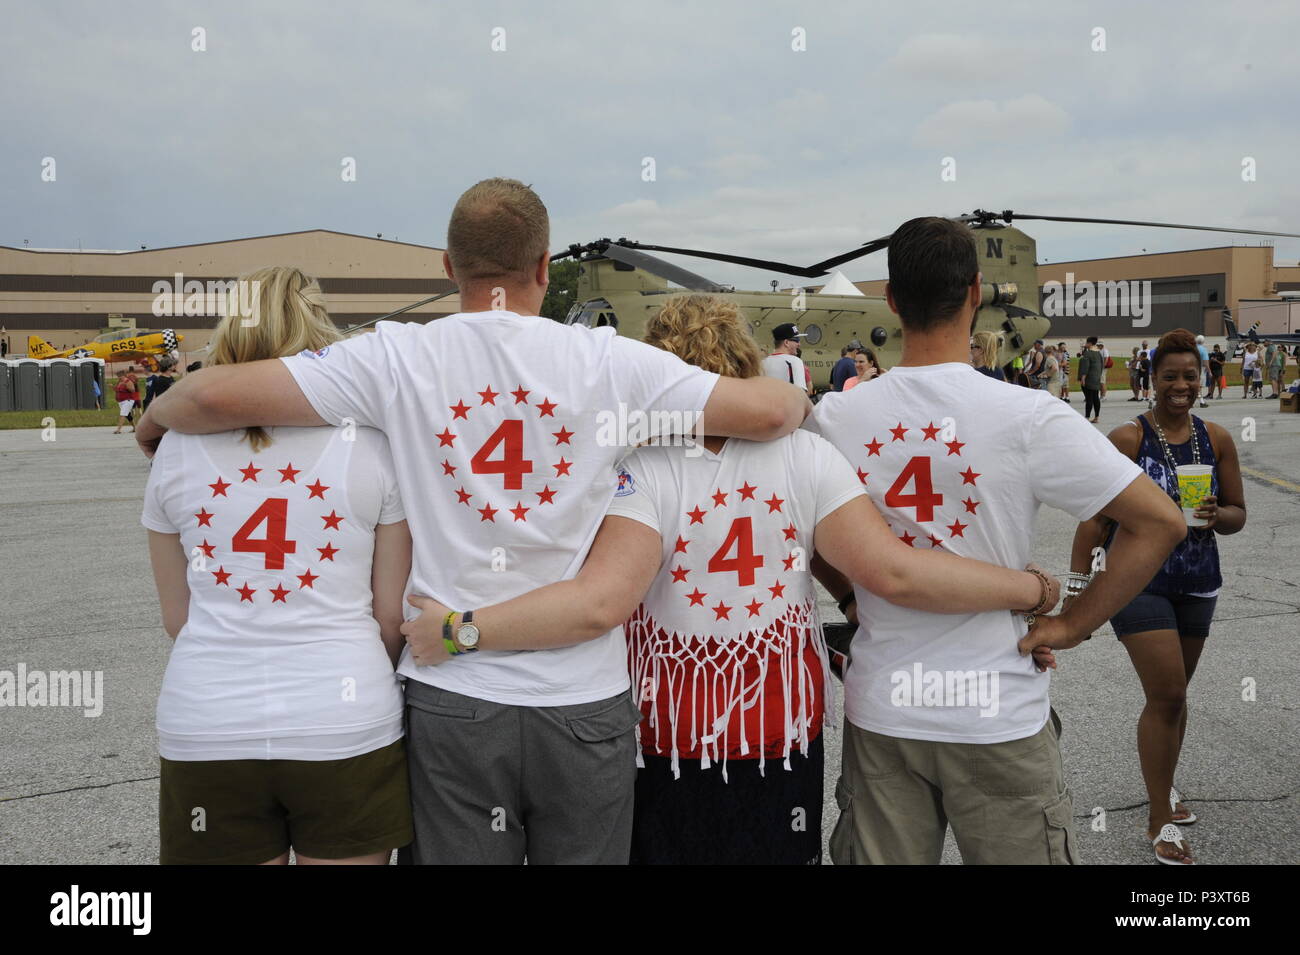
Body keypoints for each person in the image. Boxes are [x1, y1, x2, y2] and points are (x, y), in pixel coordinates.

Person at [137, 177, 810, 865]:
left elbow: (213, 395)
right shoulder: (612, 364)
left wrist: (154, 417)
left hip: (452, 689)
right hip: (580, 702)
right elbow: (769, 412)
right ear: (546, 268)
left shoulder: (396, 356)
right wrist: (794, 388)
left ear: (448, 266)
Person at [401, 293, 1059, 865]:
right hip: (778, 732)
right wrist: (1025, 590)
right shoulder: (807, 455)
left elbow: (602, 600)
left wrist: (460, 629)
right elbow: (895, 571)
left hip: (669, 734)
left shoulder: (641, 467)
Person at [808, 217, 1186, 865]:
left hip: (885, 708)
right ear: (976, 292)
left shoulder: (837, 416)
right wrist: (1070, 623)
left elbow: (810, 533)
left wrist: (850, 598)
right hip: (997, 708)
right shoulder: (1028, 415)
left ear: (892, 300)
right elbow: (1161, 522)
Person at [142, 266, 414, 865]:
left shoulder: (176, 449)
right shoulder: (371, 444)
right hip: (344, 718)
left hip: (207, 719)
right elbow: (390, 617)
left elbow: (175, 618)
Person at [1067, 328, 1246, 865]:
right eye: (1170, 375)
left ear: (1202, 377)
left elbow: (1238, 514)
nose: (1181, 385)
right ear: (1152, 379)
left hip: (1198, 582)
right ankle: (1158, 819)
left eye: (1190, 375)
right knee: (1167, 694)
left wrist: (1219, 514)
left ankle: (1165, 786)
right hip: (1137, 584)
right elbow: (1095, 520)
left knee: (1173, 699)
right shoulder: (1128, 440)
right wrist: (1078, 593)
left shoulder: (1216, 439)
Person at [762, 323, 813, 395]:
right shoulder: (795, 361)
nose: (799, 344)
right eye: (797, 340)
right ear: (786, 342)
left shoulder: (762, 363)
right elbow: (799, 395)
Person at [1078, 336, 1104, 423]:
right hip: (1096, 378)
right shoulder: (1099, 353)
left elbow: (1085, 367)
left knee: (1089, 398)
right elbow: (1102, 366)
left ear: (1089, 343)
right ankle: (1096, 417)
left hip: (1089, 379)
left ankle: (1087, 417)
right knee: (1096, 398)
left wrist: (1083, 379)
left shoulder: (1088, 354)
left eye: (1086, 342)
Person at [112, 367, 138, 433]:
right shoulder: (120, 382)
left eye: (119, 376)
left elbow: (133, 390)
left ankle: (118, 430)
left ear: (123, 375)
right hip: (121, 401)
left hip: (128, 400)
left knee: (123, 414)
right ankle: (135, 428)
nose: (118, 378)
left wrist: (126, 385)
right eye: (118, 376)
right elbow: (117, 390)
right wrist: (113, 387)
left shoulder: (128, 382)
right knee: (128, 415)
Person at [1194, 335, 1210, 407]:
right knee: (1199, 386)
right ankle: (1201, 402)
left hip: (1192, 368)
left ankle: (1193, 402)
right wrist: (1209, 371)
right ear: (1203, 341)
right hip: (1201, 369)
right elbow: (1205, 362)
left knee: (1194, 386)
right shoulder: (1203, 349)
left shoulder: (1193, 349)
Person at [1139, 340, 1153, 404]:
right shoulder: (1148, 361)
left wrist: (1140, 367)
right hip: (1147, 374)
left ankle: (1145, 397)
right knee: (1146, 386)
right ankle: (1147, 397)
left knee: (1144, 386)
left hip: (1144, 375)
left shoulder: (1144, 361)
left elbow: (1143, 369)